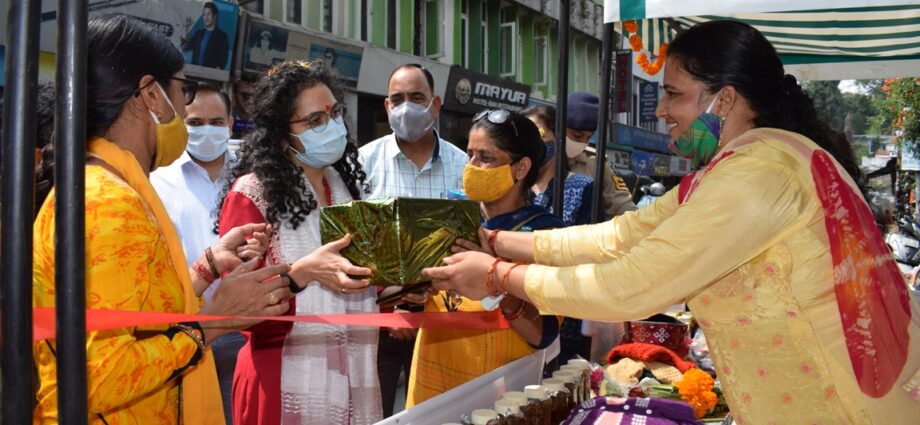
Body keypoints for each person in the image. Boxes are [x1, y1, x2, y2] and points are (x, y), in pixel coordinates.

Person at [424, 20, 920, 425]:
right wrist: (500, 241)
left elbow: (630, 285)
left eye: (673, 94)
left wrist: (496, 276)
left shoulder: (760, 173)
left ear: (722, 101)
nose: (661, 111)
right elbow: (623, 234)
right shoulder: (745, 164)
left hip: (844, 403)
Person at [32, 14, 294, 424]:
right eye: (182, 90)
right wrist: (213, 321)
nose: (184, 105)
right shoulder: (109, 203)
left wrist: (207, 267)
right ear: (151, 95)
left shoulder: (106, 185)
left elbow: (135, 318)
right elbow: (97, 377)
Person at [217, 60, 381, 425]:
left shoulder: (346, 193)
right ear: (280, 134)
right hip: (279, 383)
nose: (332, 126)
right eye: (314, 122)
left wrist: (401, 287)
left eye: (335, 114)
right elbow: (243, 315)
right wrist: (303, 274)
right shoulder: (253, 196)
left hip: (351, 377)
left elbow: (360, 283)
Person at [406, 109, 563, 406]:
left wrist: (494, 280)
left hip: (499, 392)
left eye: (486, 158)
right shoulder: (446, 220)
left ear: (521, 167)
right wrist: (414, 292)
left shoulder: (545, 236)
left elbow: (542, 334)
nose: (472, 167)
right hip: (432, 385)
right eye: (470, 155)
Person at [358, 63, 468, 417]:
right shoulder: (362, 164)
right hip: (379, 325)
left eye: (416, 98)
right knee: (375, 415)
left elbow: (468, 244)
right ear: (387, 107)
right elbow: (353, 245)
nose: (406, 107)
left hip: (444, 324)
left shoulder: (463, 167)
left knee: (440, 415)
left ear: (435, 105)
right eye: (398, 99)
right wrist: (395, 305)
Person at [150, 84, 240, 425]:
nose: (207, 130)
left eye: (216, 121)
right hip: (183, 326)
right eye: (196, 121)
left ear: (231, 124)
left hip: (244, 326)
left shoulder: (253, 174)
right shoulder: (158, 179)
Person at [522, 103, 600, 364]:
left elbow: (582, 251)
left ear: (557, 138)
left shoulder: (581, 187)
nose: (532, 144)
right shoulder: (512, 189)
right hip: (519, 314)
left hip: (564, 317)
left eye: (539, 135)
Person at [563, 92, 636, 218]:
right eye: (577, 136)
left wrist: (636, 223)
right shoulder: (535, 156)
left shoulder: (595, 162)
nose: (582, 143)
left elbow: (622, 204)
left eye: (588, 137)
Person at [184, 2, 229, 69]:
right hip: (194, 71)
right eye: (204, 15)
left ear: (215, 16)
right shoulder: (198, 33)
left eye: (208, 14)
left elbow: (223, 59)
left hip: (209, 74)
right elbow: (185, 46)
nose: (205, 17)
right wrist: (186, 28)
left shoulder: (222, 36)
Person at [231, 73, 257, 138]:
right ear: (234, 95)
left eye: (255, 96)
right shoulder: (224, 117)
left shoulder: (262, 121)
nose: (251, 101)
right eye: (246, 96)